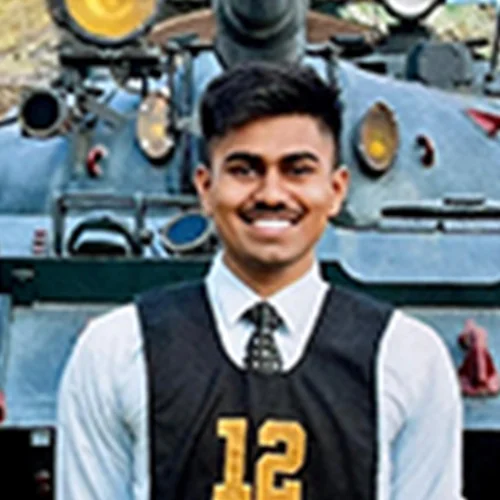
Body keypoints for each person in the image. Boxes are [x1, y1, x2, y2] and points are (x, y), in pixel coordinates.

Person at [56, 62, 463, 500]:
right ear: (205, 188)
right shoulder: (118, 351)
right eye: (245, 169)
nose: (271, 194)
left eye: (298, 169)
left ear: (336, 189)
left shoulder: (406, 359)